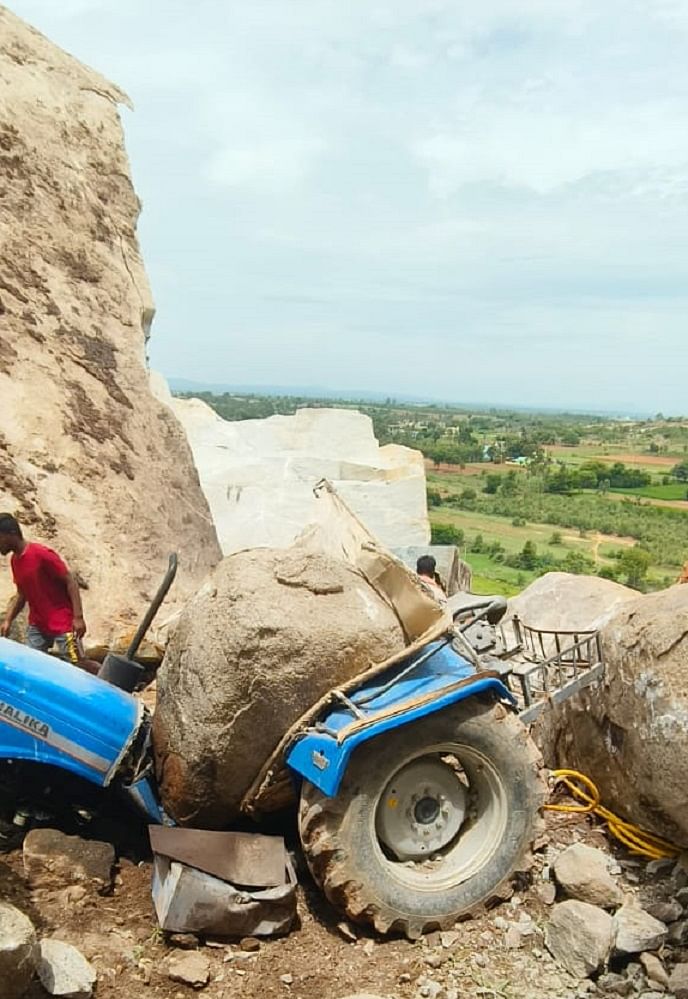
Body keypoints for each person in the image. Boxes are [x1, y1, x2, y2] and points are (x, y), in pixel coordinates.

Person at [0, 513, 89, 666]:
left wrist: (78, 617)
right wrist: (8, 620)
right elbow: (22, 594)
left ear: (11, 534)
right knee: (31, 664)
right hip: (38, 624)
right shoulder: (15, 560)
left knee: (76, 664)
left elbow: (71, 582)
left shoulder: (41, 554)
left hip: (63, 622)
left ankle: (104, 678)